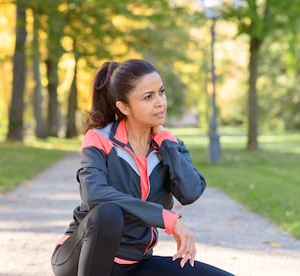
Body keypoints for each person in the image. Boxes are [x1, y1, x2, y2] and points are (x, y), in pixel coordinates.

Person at [51, 59, 233, 276]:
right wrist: (166, 218)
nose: (160, 103)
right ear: (124, 107)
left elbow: (190, 192)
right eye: (148, 97)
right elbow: (95, 194)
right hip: (80, 261)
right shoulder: (99, 139)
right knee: (109, 213)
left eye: (161, 92)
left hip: (135, 264)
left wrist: (166, 143)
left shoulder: (168, 145)